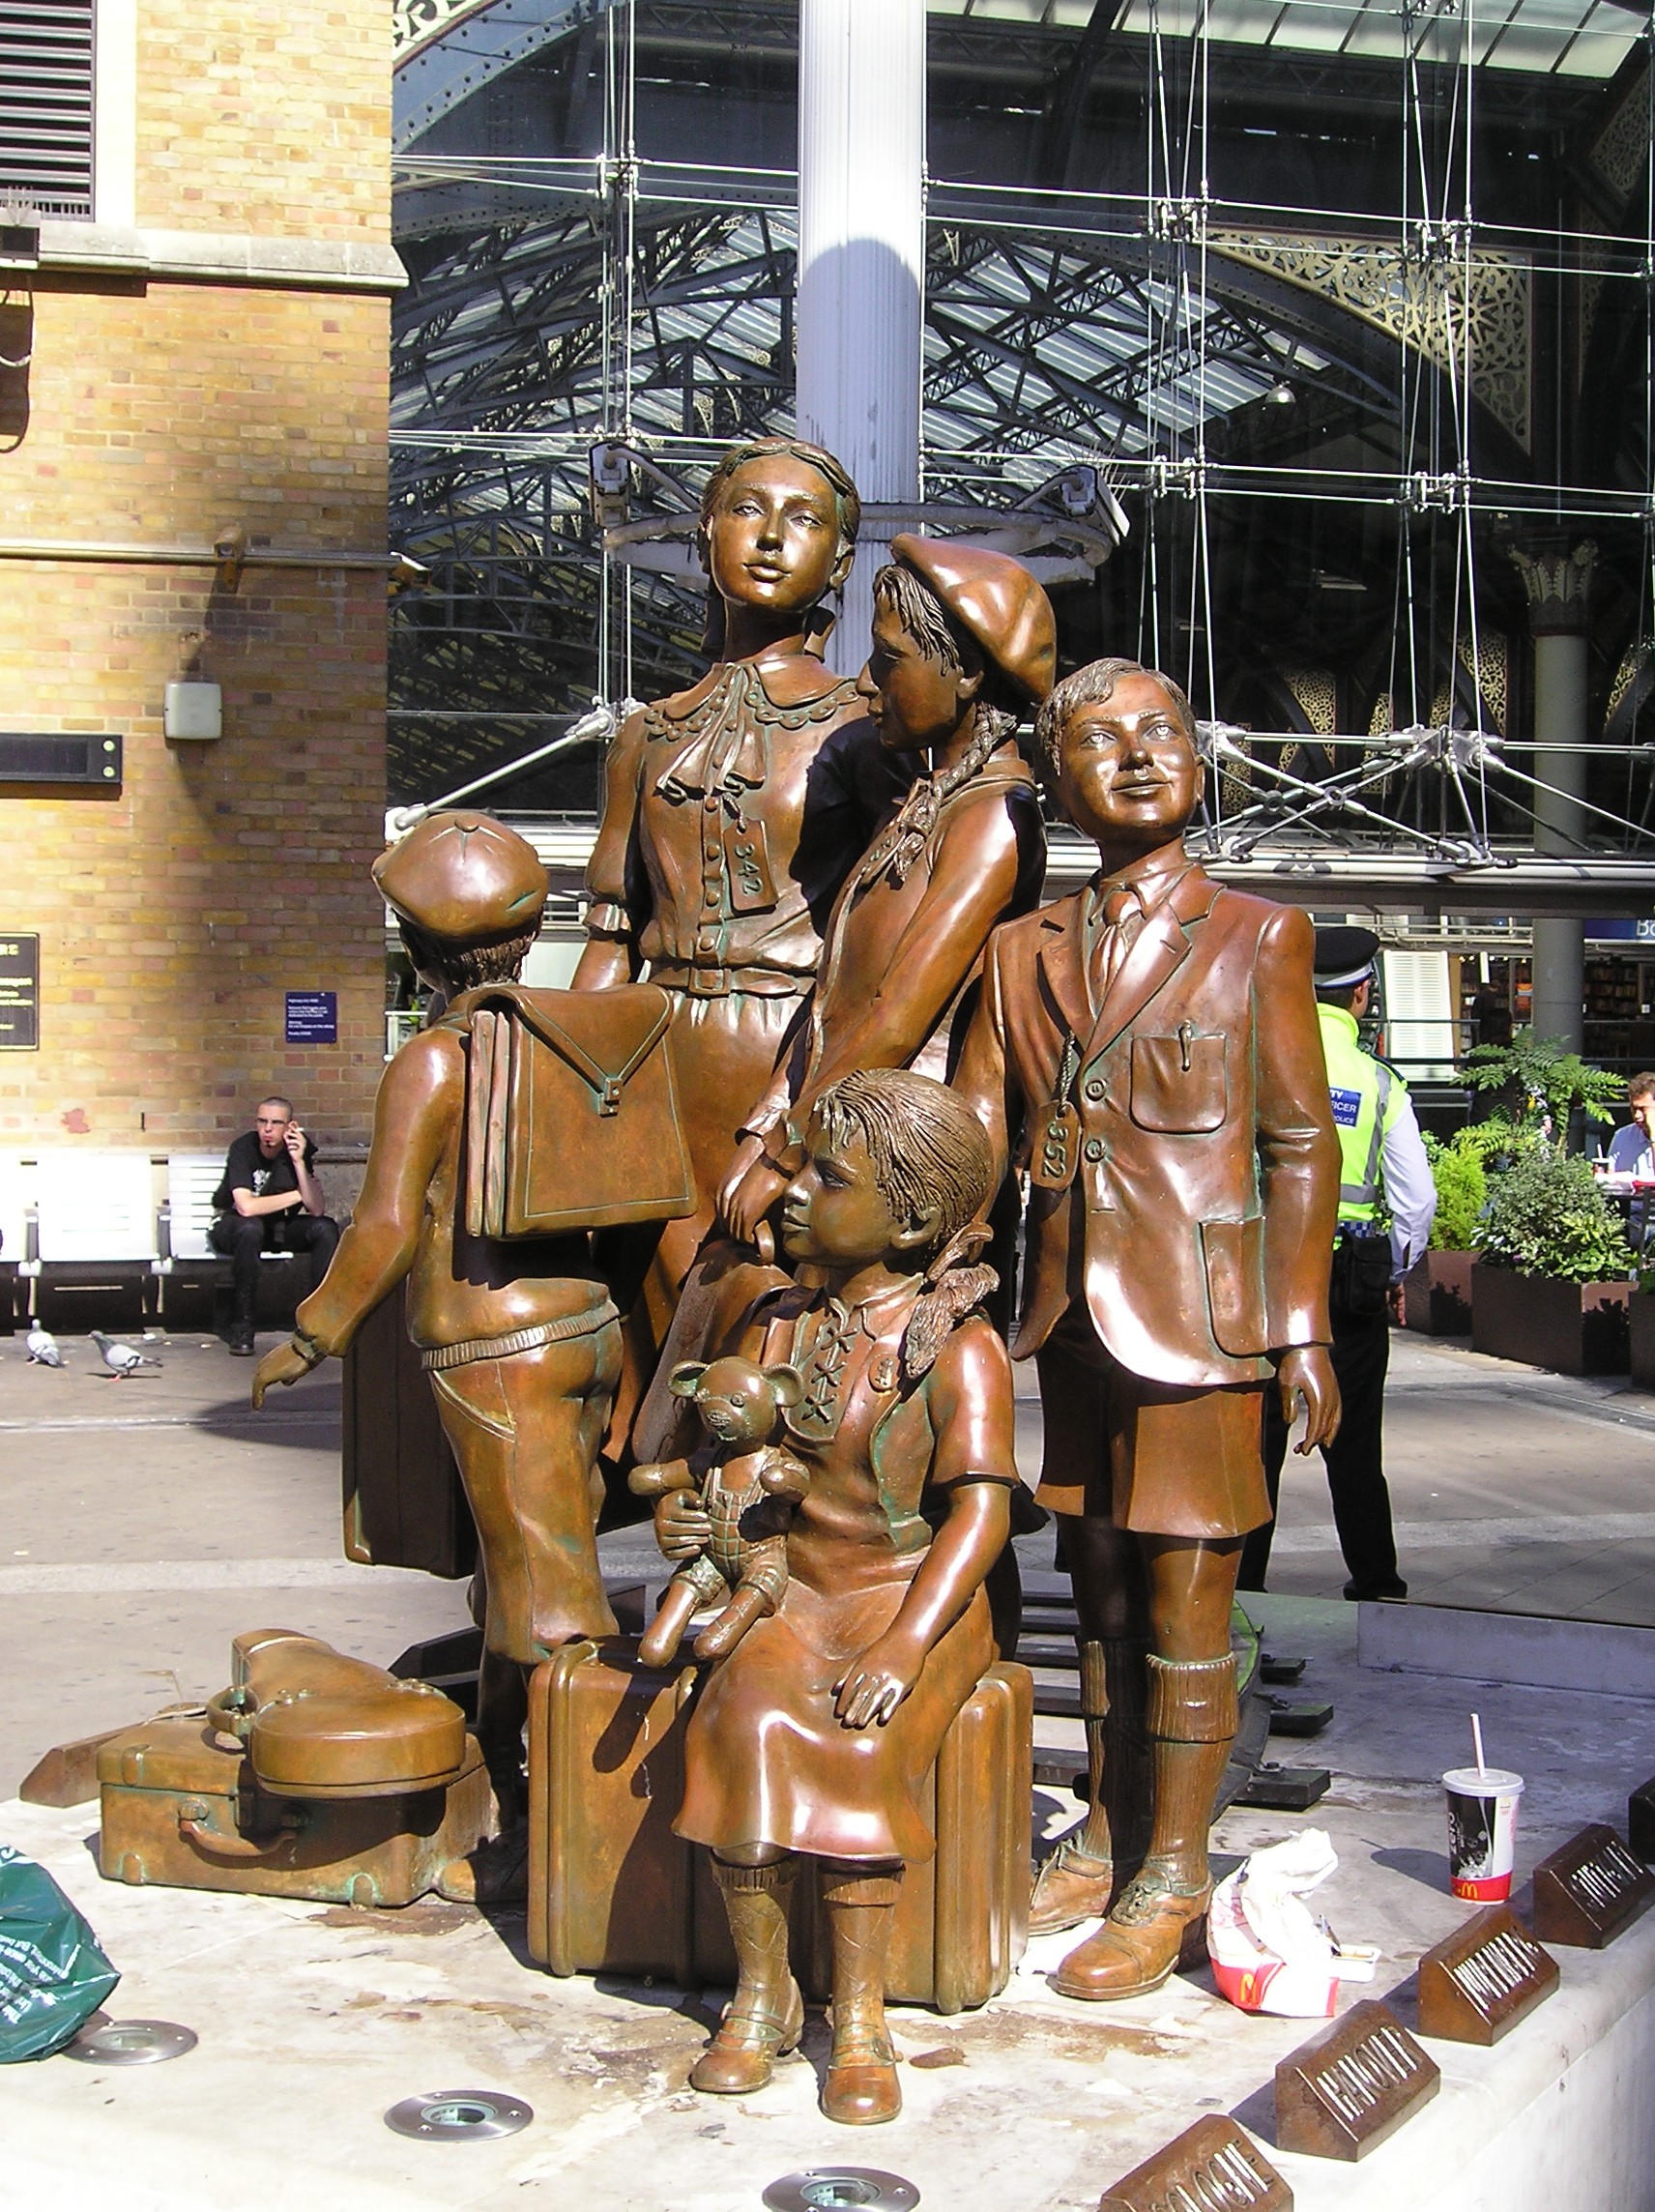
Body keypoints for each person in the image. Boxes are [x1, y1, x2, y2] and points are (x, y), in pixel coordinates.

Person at [953, 656, 1342, 2000]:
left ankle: (1174, 1873)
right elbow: (983, 1143)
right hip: (1069, 1318)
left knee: (1188, 1606)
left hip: (1201, 1328)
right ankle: (1114, 1828)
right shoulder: (1019, 953)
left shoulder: (1256, 936)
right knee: (1102, 1594)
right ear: (1056, 785)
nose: (1136, 756)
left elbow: (1299, 1144)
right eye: (1100, 742)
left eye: (1162, 732)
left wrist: (1301, 1329)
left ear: (1201, 758)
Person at [654, 1068, 1015, 2126]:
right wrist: (696, 1520)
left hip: (912, 1597)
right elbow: (717, 1459)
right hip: (793, 1584)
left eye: (829, 1175)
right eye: (801, 1165)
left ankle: (857, 2016)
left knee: (857, 1743)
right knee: (740, 1717)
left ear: (907, 1221)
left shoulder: (959, 1346)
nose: (795, 1189)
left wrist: (906, 1643)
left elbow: (979, 1515)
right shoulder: (775, 1323)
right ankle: (761, 1994)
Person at [249, 812, 623, 1820]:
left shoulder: (433, 1060)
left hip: (495, 1351)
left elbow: (380, 1224)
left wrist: (309, 1335)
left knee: (544, 1604)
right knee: (519, 1576)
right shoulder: (564, 1038)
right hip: (586, 1330)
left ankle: (556, 1833)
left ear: (415, 953)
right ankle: (502, 1782)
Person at [570, 436, 906, 1461]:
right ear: (704, 533)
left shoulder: (864, 727)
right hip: (658, 1049)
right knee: (654, 1302)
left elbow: (890, 933)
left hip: (793, 1048)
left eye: (802, 519)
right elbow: (606, 932)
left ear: (840, 563)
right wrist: (569, 1078)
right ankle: (672, 1518)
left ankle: (773, 1548)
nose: (768, 536)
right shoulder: (644, 734)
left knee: (774, 1290)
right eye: (745, 509)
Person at [718, 536, 1053, 1245]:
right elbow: (834, 1000)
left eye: (889, 659)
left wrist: (784, 1152)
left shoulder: (995, 816)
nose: (866, 683)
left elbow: (898, 1012)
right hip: (840, 1141)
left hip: (890, 1178)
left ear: (963, 673)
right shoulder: (931, 803)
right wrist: (765, 1127)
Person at [1239, 926, 1437, 1603]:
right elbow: (1416, 1202)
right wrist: (1392, 1274)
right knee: (1354, 1449)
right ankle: (1377, 1582)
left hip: (1263, 1281)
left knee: (1255, 1447)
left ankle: (1243, 1589)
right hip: (1348, 1289)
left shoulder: (1253, 1061)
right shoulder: (1380, 1083)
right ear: (1362, 995)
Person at [210, 1097, 339, 1355]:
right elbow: (245, 1207)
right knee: (250, 1228)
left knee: (324, 1228)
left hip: (278, 1228)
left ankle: (317, 1323)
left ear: (290, 1127)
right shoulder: (243, 1148)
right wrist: (297, 1195)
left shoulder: (298, 1153)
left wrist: (299, 1161)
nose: (267, 1129)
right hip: (233, 1228)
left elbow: (316, 1209)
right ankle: (242, 1325)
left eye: (276, 1123)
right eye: (262, 1121)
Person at [1607, 1073, 1655, 1179]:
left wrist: (1653, 1136)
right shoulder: (1622, 1137)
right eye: (1634, 1109)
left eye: (1643, 1109)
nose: (1637, 1116)